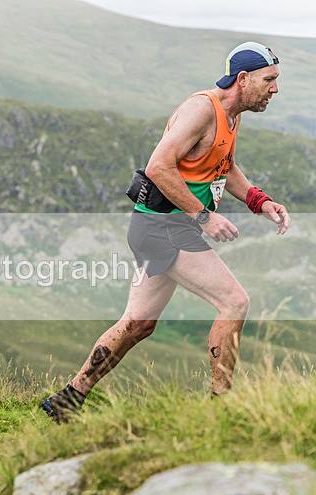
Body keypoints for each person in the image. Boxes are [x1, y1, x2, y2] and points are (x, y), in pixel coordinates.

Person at [41, 42, 291, 423]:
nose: (274, 89)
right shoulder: (201, 109)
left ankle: (67, 399)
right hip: (164, 227)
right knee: (234, 302)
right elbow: (158, 166)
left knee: (137, 324)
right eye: (269, 80)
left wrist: (259, 201)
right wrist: (204, 217)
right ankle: (221, 410)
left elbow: (224, 165)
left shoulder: (231, 114)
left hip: (161, 227)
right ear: (243, 79)